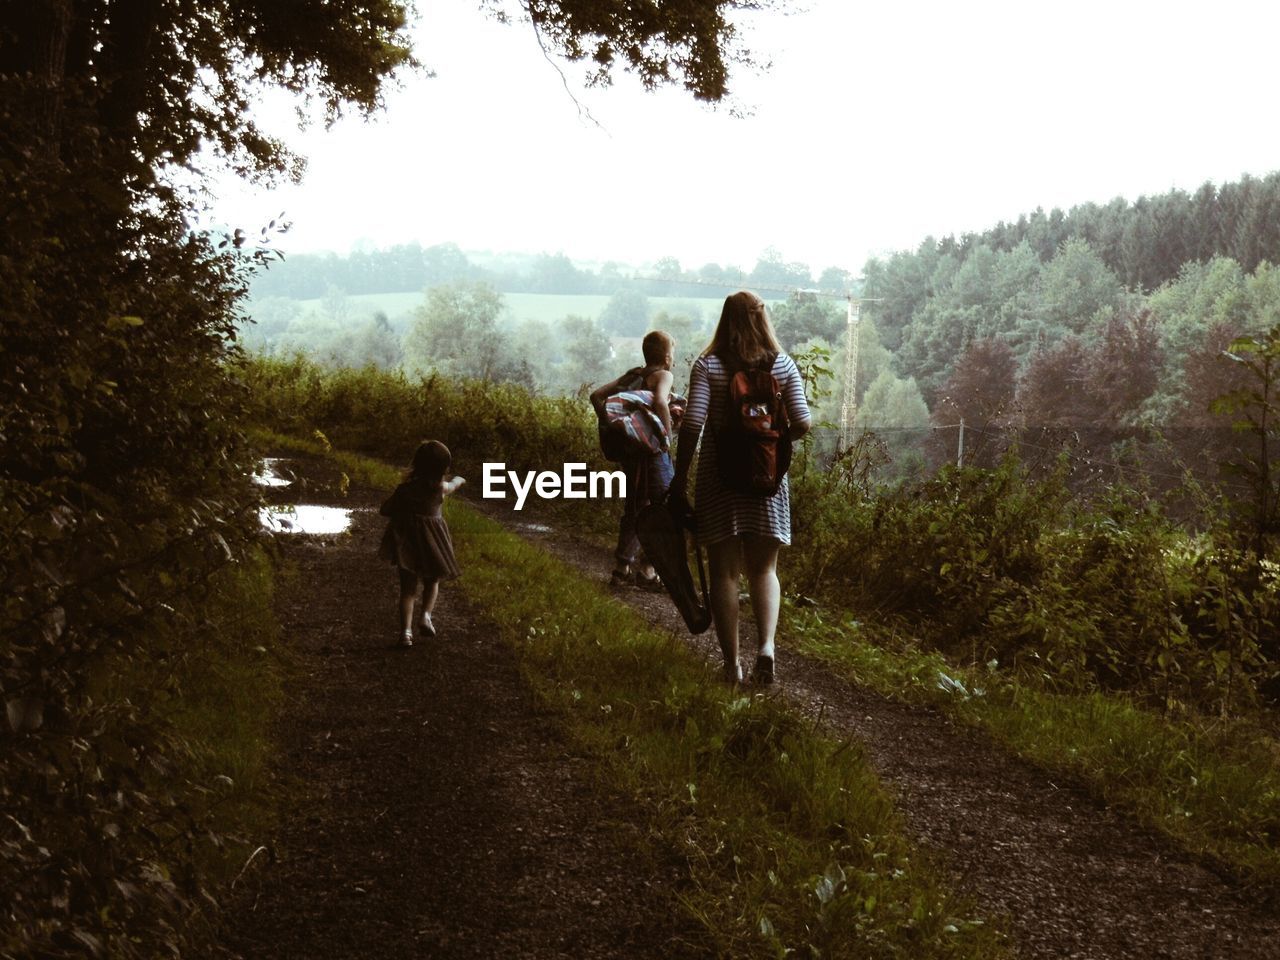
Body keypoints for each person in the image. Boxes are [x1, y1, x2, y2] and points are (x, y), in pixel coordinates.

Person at [669, 291, 811, 685]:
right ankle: (766, 648)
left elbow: (693, 424)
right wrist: (769, 439)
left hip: (720, 482)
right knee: (764, 568)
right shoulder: (782, 364)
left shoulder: (708, 365)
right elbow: (802, 421)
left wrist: (680, 479)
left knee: (724, 574)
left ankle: (731, 665)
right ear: (762, 319)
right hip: (769, 482)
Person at [590, 330, 677, 590]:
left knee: (635, 508)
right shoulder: (663, 375)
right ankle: (648, 571)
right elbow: (661, 401)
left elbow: (596, 396)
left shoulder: (632, 375)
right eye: (672, 352)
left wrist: (614, 425)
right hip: (652, 454)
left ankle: (621, 569)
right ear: (666, 357)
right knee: (665, 509)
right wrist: (666, 436)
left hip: (630, 455)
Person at [378, 440, 464, 647]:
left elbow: (386, 510)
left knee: (407, 590)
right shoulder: (439, 488)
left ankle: (405, 633)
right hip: (433, 542)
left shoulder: (405, 490)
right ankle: (426, 615)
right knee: (432, 581)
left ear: (416, 464)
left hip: (408, 544)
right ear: (444, 468)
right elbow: (452, 486)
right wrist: (460, 480)